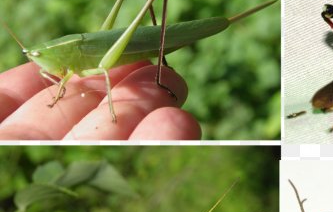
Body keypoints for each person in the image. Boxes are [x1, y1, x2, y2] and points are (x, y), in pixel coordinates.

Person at [0, 61, 200, 140]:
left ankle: (160, 71)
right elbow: (50, 73)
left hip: (108, 54)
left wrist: (112, 112)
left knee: (104, 69)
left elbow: (104, 69)